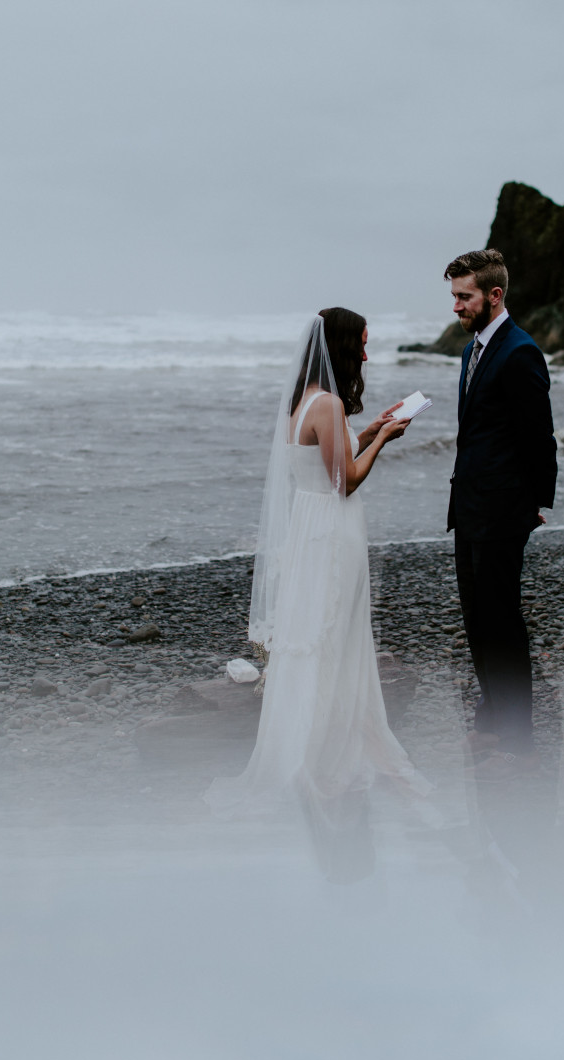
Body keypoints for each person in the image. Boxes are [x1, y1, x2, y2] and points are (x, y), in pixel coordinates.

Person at [206, 308, 433, 881]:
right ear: (340, 345)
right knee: (335, 630)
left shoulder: (301, 402)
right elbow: (346, 480)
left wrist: (370, 430)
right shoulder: (328, 405)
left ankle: (313, 730)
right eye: (361, 342)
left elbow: (322, 464)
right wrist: (386, 439)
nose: (366, 352)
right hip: (333, 531)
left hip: (311, 528)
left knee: (317, 631)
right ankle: (329, 745)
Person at [444, 249, 557, 777]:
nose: (457, 307)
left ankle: (518, 735)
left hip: (503, 511)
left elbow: (540, 438)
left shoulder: (520, 353)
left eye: (464, 297)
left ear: (494, 295)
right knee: (477, 618)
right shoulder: (473, 351)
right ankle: (491, 717)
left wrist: (534, 505)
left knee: (502, 622)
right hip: (468, 506)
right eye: (454, 297)